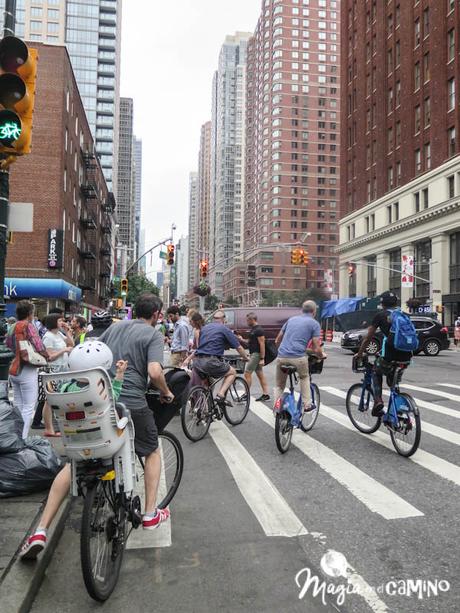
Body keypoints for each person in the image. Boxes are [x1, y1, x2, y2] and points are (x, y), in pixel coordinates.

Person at [19, 344, 128, 560]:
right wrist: (120, 376)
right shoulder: (101, 386)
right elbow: (114, 396)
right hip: (105, 442)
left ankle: (40, 530)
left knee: (69, 469)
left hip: (75, 445)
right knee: (125, 424)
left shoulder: (62, 387)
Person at [99, 293, 174, 530]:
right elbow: (154, 372)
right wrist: (165, 391)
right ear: (156, 315)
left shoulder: (115, 327)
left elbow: (94, 351)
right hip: (130, 401)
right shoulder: (153, 334)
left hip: (102, 399)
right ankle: (151, 513)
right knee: (151, 450)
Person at [356, 291, 413, 416]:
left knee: (376, 371)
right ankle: (397, 410)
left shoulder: (380, 316)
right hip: (407, 356)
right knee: (393, 382)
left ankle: (378, 401)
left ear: (382, 304)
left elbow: (368, 338)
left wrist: (360, 353)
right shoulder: (404, 315)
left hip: (391, 355)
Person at [274, 300, 325, 412]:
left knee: (279, 385)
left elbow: (277, 340)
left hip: (281, 357)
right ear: (314, 311)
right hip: (298, 358)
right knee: (304, 377)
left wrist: (282, 351)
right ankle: (307, 404)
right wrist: (321, 356)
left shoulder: (291, 320)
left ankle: (277, 409)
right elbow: (316, 347)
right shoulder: (314, 324)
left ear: (302, 310)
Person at [7, 301, 49, 438]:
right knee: (29, 407)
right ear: (30, 313)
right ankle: (22, 438)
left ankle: (15, 436)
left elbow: (8, 344)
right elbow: (38, 345)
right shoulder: (28, 326)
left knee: (18, 405)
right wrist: (46, 357)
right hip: (27, 369)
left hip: (15, 368)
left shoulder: (12, 326)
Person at [193, 310, 248, 406]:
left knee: (208, 385)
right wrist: (245, 357)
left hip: (198, 361)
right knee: (232, 372)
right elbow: (238, 347)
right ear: (224, 319)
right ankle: (220, 394)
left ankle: (204, 409)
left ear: (213, 319)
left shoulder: (204, 328)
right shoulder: (224, 329)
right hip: (211, 361)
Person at [41, 313, 75, 437]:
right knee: (50, 400)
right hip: (54, 370)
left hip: (63, 369)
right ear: (53, 322)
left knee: (60, 398)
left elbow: (71, 344)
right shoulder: (48, 336)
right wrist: (64, 350)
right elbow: (49, 356)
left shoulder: (59, 334)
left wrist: (68, 332)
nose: (62, 322)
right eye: (60, 320)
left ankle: (58, 426)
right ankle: (49, 428)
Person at [238, 312, 270, 402]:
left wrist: (262, 358)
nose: (246, 322)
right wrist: (241, 340)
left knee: (247, 373)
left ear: (252, 320)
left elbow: (262, 344)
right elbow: (250, 342)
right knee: (260, 374)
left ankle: (246, 394)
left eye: (247, 320)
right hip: (254, 354)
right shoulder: (253, 329)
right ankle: (266, 394)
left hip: (256, 354)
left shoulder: (259, 330)